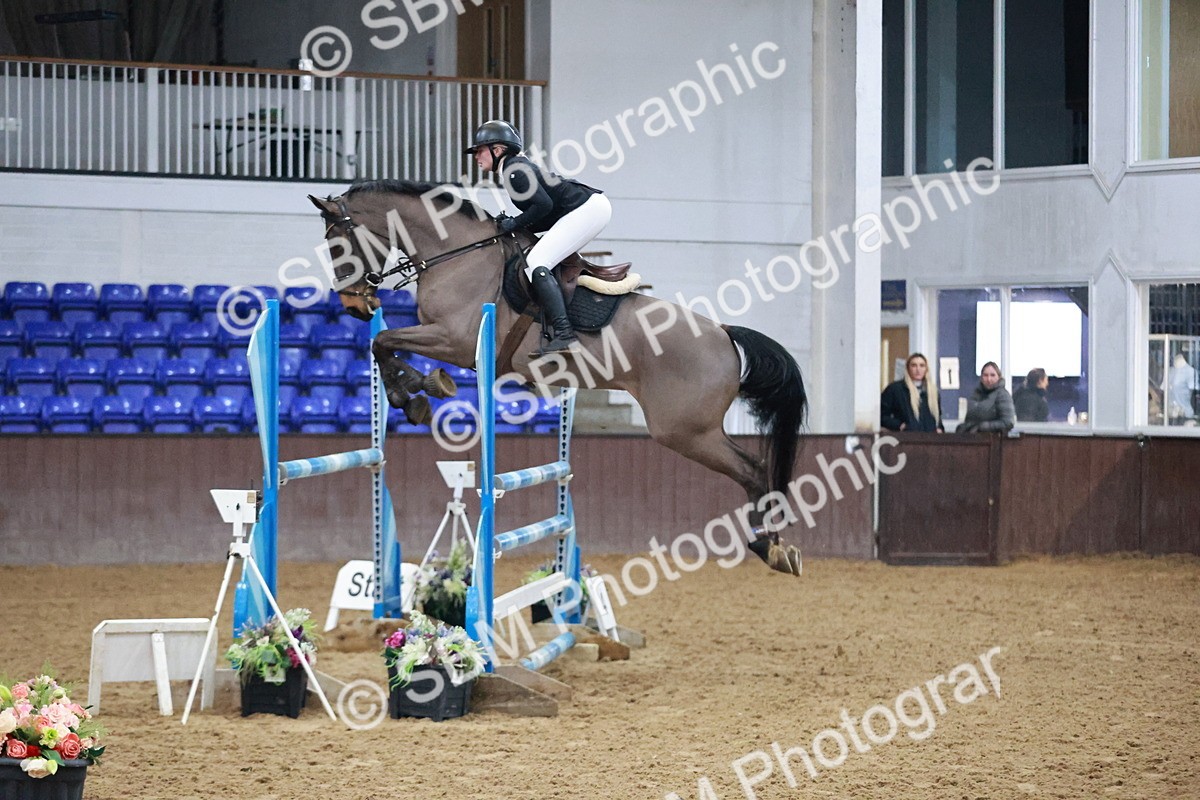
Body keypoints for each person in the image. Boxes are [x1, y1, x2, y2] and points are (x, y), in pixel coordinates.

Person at [464, 120, 612, 355]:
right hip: (585, 208)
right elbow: (543, 210)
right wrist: (516, 225)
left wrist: (514, 222)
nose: (476, 156)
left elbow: (544, 205)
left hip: (588, 210)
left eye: (480, 150)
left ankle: (565, 334)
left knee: (536, 262)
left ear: (498, 149)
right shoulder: (514, 168)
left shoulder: (514, 171)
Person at [880, 353, 943, 432]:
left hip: (930, 439)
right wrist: (900, 425)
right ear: (908, 368)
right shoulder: (896, 389)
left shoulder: (933, 391)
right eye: (914, 365)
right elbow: (882, 415)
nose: (918, 369)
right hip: (906, 439)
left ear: (926, 369)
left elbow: (938, 417)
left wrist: (939, 429)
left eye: (922, 365)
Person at [958, 361, 1016, 433]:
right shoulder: (976, 394)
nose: (989, 379)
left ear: (999, 377)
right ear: (981, 378)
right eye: (985, 375)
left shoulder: (1003, 395)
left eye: (992, 375)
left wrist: (984, 427)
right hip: (974, 439)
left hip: (994, 440)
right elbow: (969, 418)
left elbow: (1008, 422)